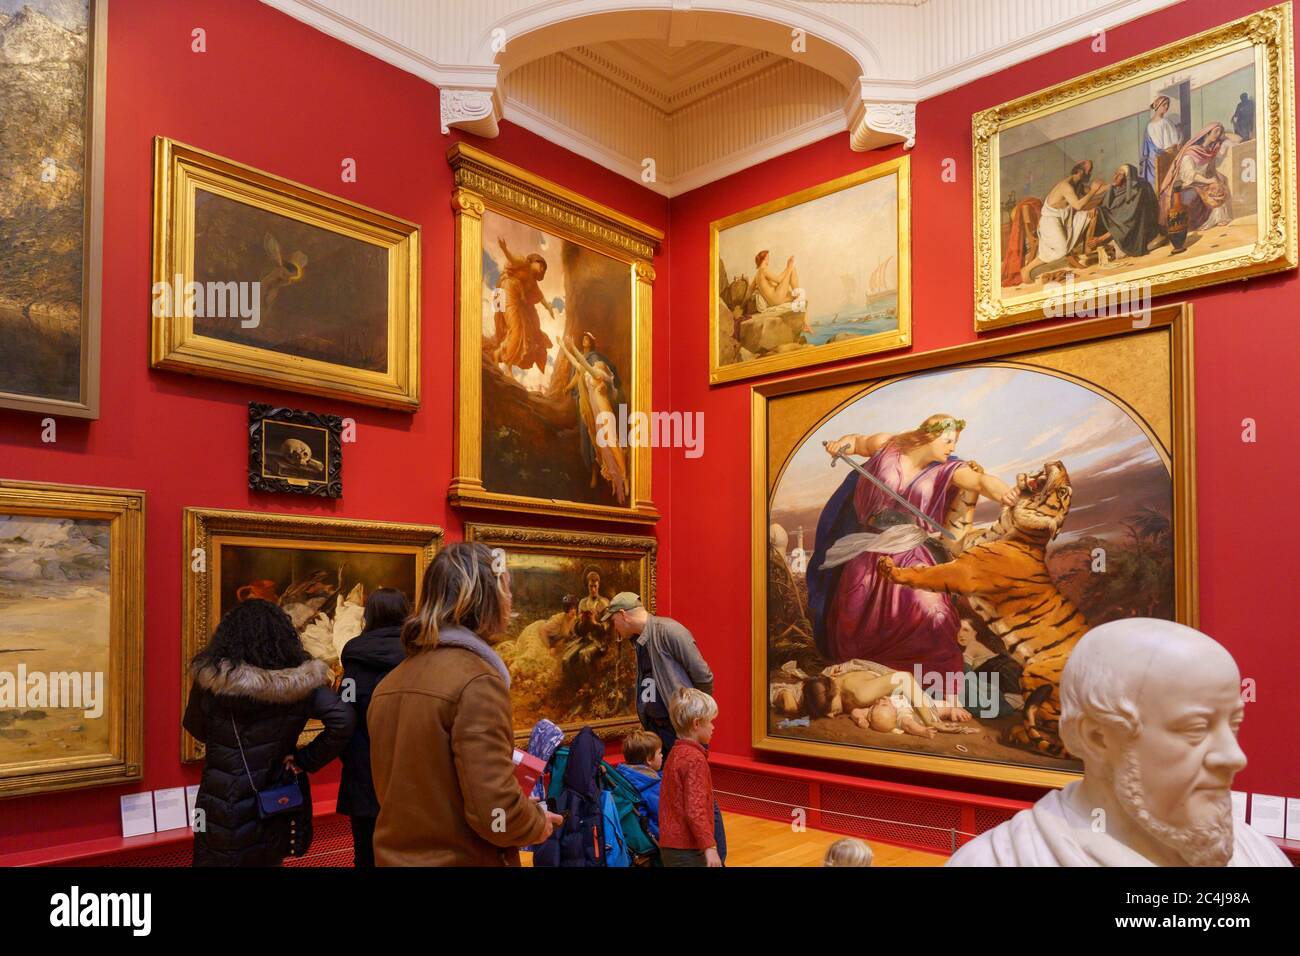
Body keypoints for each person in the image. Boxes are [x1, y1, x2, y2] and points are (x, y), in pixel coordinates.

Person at [947, 619, 1290, 866]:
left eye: (1234, 725)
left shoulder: (1258, 853)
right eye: (1196, 729)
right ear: (1096, 738)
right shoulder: (1003, 860)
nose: (1234, 756)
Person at [367, 542, 562, 866]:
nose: (510, 601)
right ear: (484, 600)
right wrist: (536, 823)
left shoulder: (392, 682)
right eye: (505, 590)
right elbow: (494, 811)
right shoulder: (477, 682)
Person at [808, 416, 1015, 679]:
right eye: (948, 440)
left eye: (955, 442)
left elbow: (982, 482)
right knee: (853, 609)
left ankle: (926, 679)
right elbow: (857, 441)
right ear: (930, 435)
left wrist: (1006, 494)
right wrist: (841, 445)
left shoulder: (948, 469)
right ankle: (865, 674)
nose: (952, 447)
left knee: (930, 611)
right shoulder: (888, 445)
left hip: (913, 551)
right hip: (869, 546)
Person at [183, 599, 354, 867]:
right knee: (268, 859)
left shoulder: (211, 679)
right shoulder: (300, 683)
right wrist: (304, 759)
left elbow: (194, 726)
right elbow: (342, 719)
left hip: (219, 797)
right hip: (274, 796)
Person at [602, 592, 725, 860]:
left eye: (613, 621)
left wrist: (696, 716)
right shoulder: (640, 642)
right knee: (671, 794)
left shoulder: (669, 631)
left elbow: (703, 675)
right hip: (657, 729)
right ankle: (681, 852)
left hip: (680, 728)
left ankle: (716, 853)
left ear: (623, 615)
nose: (615, 628)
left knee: (698, 794)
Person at [335, 587, 410, 867]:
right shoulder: (421, 657)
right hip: (413, 776)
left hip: (364, 773)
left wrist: (353, 758)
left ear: (368, 616)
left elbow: (344, 718)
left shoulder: (355, 660)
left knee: (366, 854)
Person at [559, 332, 628, 503]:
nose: (597, 362)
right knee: (604, 450)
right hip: (598, 420)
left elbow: (583, 363)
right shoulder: (591, 375)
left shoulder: (601, 376)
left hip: (606, 418)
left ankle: (625, 477)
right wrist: (563, 347)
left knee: (613, 445)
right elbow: (577, 364)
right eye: (597, 362)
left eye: (600, 363)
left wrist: (573, 347)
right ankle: (616, 479)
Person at [658, 689, 722, 867]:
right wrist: (709, 847)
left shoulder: (675, 752)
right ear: (696, 723)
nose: (712, 727)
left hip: (670, 846)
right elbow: (695, 809)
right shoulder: (694, 759)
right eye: (710, 721)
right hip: (688, 849)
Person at [1019, 161, 1108, 283]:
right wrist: (1093, 191)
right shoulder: (1065, 186)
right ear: (1080, 171)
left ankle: (1087, 249)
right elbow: (1078, 205)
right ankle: (1027, 269)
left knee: (1090, 215)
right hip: (1050, 222)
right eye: (1088, 170)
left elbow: (1096, 191)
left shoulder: (1077, 185)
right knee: (1061, 251)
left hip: (1064, 220)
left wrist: (1113, 185)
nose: (1090, 173)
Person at [1157, 121, 1243, 232]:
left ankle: (1217, 218)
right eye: (1216, 131)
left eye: (1220, 132)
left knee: (1220, 185)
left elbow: (1239, 140)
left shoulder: (1210, 150)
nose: (1218, 134)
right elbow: (1190, 175)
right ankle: (1199, 224)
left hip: (1202, 181)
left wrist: (1224, 135)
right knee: (1193, 195)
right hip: (1186, 184)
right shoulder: (1191, 152)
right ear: (1207, 133)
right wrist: (1208, 181)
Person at [492, 236, 555, 373]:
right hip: (504, 293)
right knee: (515, 330)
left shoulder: (533, 283)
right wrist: (504, 249)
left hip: (508, 296)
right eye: (540, 264)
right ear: (532, 261)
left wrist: (549, 307)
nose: (541, 268)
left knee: (518, 331)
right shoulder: (523, 263)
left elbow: (541, 297)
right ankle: (507, 366)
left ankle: (499, 353)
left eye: (543, 268)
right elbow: (512, 260)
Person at [1095, 163, 1165, 259]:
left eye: (1119, 175)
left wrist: (1100, 239)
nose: (1115, 177)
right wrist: (1096, 209)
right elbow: (1110, 210)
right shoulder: (1116, 190)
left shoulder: (1138, 191)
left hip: (1138, 230)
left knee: (1118, 252)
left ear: (1128, 178)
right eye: (1115, 173)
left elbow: (1128, 222)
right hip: (1121, 230)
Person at [615, 730, 663, 839]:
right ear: (649, 760)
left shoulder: (622, 778)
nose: (662, 755)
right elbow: (662, 817)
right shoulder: (651, 785)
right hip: (657, 838)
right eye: (659, 753)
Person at [1139, 95, 1182, 187]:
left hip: (1163, 158)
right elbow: (1146, 147)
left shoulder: (1166, 123)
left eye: (1168, 105)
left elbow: (1173, 144)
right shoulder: (1149, 125)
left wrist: (1166, 151)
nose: (1166, 107)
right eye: (1164, 104)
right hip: (1150, 162)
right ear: (1157, 106)